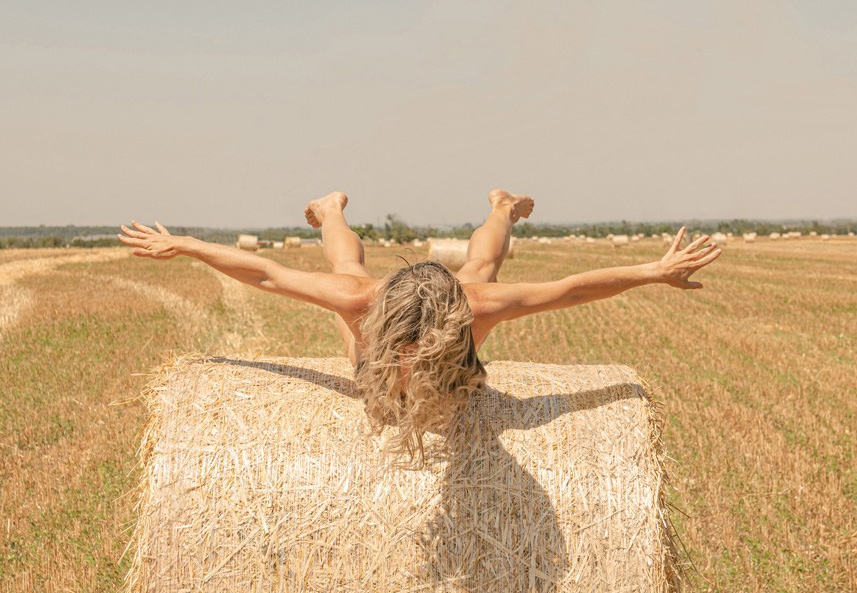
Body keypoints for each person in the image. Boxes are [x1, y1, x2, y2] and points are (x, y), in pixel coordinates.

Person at [118, 190, 721, 457]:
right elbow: (268, 274)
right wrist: (189, 244)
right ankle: (331, 208)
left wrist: (651, 270)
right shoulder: (361, 301)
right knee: (346, 263)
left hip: (460, 316)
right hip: (367, 346)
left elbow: (567, 290)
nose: (416, 357)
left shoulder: (472, 308)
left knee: (483, 263)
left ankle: (502, 207)